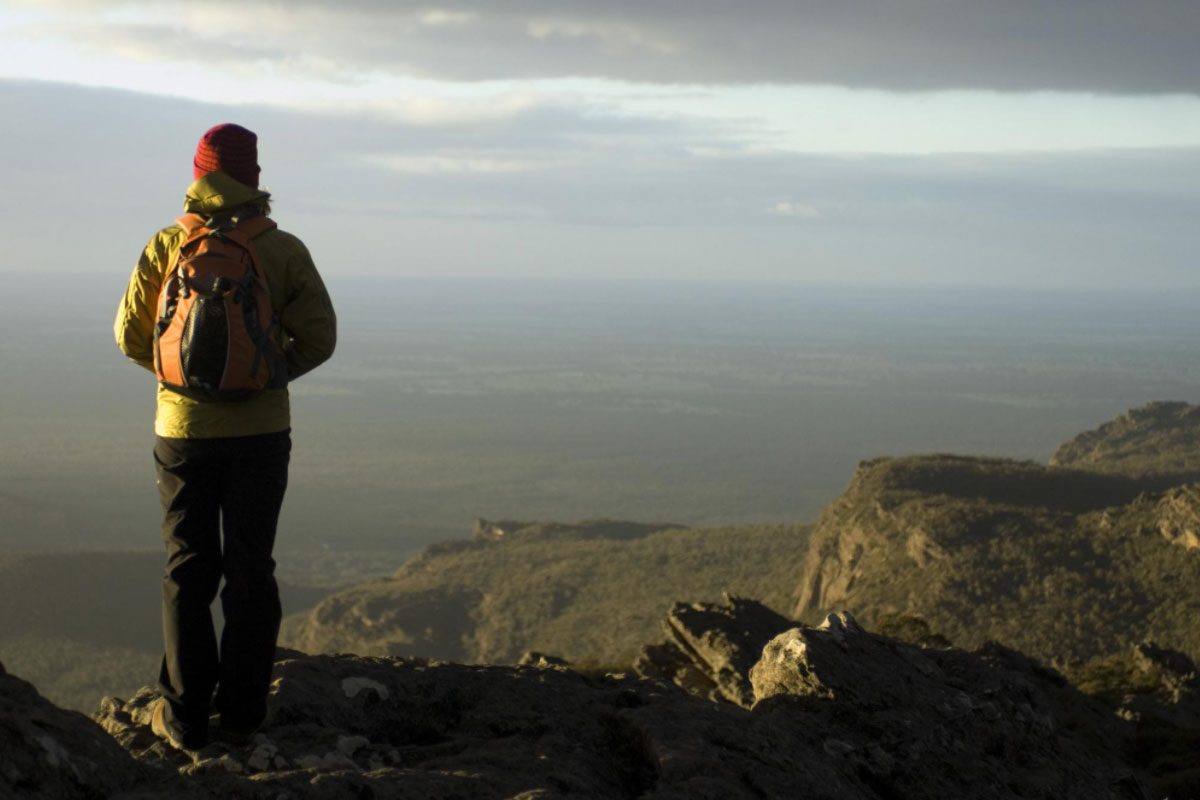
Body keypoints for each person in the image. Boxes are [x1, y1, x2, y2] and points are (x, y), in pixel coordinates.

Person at [114, 123, 337, 750]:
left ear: (198, 173)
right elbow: (319, 337)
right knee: (250, 569)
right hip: (261, 432)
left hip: (180, 432)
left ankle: (184, 716)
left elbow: (131, 338)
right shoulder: (283, 249)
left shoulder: (166, 245)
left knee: (188, 569)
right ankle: (242, 716)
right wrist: (262, 373)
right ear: (254, 176)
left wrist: (183, 383)